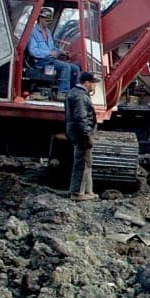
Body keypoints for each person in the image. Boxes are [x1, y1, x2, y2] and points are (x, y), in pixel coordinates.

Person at [65, 71, 100, 201]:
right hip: (81, 134)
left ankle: (87, 191)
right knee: (82, 162)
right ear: (87, 82)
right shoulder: (80, 97)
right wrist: (87, 136)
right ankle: (77, 193)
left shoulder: (75, 93)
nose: (94, 86)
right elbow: (81, 118)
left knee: (86, 162)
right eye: (93, 83)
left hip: (78, 132)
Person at [28, 7, 80, 92]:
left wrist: (61, 51)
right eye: (47, 20)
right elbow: (33, 51)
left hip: (51, 60)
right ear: (40, 18)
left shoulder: (47, 32)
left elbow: (52, 47)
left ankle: (73, 92)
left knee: (75, 68)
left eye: (49, 20)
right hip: (40, 61)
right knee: (65, 67)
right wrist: (50, 53)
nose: (48, 22)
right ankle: (63, 92)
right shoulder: (33, 32)